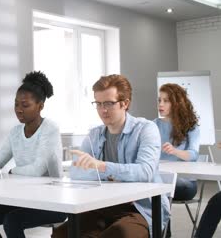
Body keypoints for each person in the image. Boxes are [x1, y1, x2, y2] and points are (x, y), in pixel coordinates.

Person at [52, 74, 170, 238]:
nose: (103, 110)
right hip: (101, 206)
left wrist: (102, 167)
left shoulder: (146, 129)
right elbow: (76, 172)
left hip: (138, 209)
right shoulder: (94, 135)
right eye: (98, 104)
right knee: (62, 234)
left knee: (119, 234)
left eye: (108, 103)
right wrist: (115, 175)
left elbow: (145, 171)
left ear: (125, 103)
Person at [0, 71, 67, 238]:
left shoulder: (50, 129)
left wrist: (12, 171)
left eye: (25, 105)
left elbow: (37, 170)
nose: (18, 110)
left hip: (54, 202)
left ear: (40, 106)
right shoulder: (15, 132)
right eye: (16, 104)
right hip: (24, 198)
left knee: (12, 221)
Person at [154, 83, 200, 237]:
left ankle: (163, 234)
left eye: (166, 101)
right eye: (159, 100)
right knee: (155, 186)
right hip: (160, 179)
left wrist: (175, 151)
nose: (161, 104)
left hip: (185, 184)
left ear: (177, 102)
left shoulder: (191, 126)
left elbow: (193, 155)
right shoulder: (153, 125)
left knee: (159, 187)